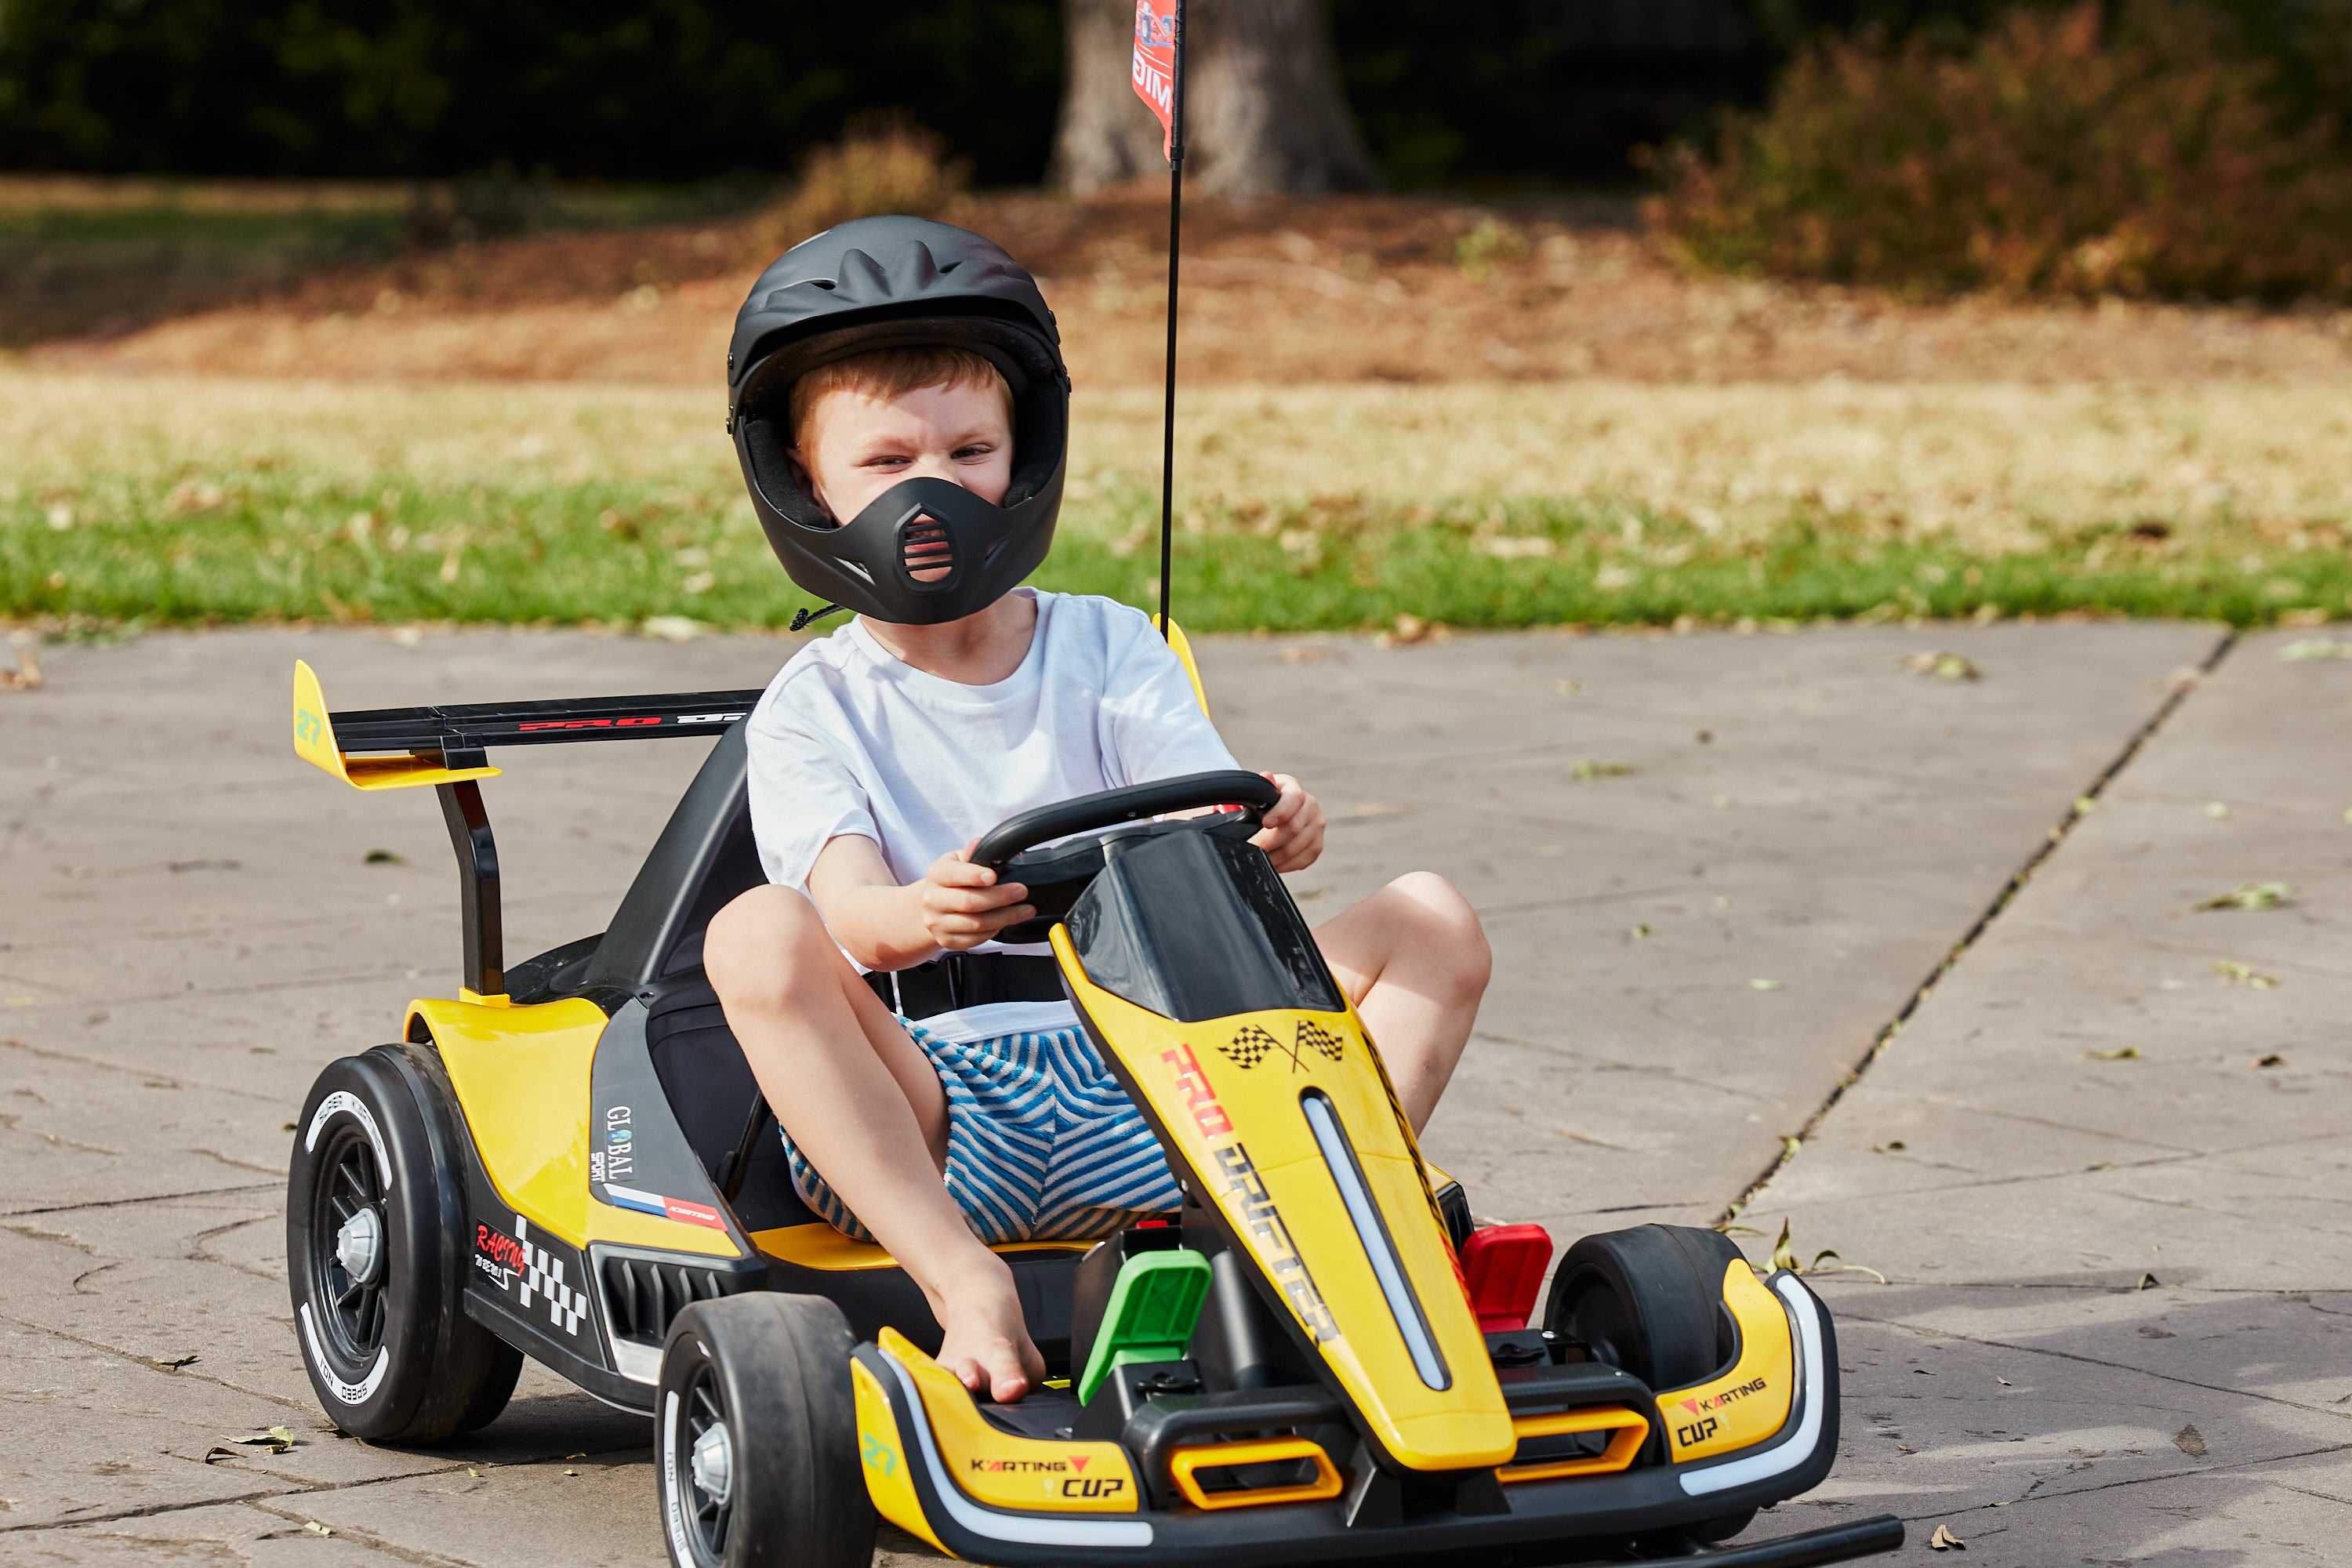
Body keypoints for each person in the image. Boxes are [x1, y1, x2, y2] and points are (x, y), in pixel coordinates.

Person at [703, 216, 1490, 1405]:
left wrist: (1271, 828)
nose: (934, 490)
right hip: (936, 1106)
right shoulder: (814, 705)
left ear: (1024, 458)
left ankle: (1313, 1247)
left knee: (1431, 916)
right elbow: (852, 919)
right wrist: (925, 910)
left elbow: (1201, 833)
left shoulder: (1112, 646)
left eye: (969, 450)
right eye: (886, 460)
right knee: (753, 932)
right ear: (805, 481)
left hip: (1165, 1084)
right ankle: (963, 1286)